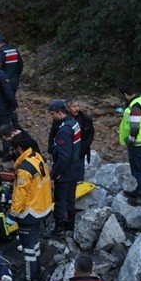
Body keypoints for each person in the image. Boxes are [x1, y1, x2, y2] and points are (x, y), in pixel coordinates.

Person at [8, 133, 53, 281]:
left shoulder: (24, 169)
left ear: (19, 149)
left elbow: (20, 195)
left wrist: (12, 215)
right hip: (42, 207)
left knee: (28, 248)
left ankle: (28, 280)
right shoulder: (37, 157)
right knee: (34, 244)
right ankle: (37, 271)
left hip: (29, 213)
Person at [48, 99, 82, 236]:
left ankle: (59, 228)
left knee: (60, 199)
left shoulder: (64, 130)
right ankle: (70, 224)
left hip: (65, 170)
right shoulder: (74, 123)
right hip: (74, 167)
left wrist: (54, 173)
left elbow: (63, 156)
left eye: (52, 114)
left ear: (59, 112)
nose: (52, 117)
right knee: (70, 197)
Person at [118, 82, 141, 200]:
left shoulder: (135, 106)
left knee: (137, 170)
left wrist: (131, 140)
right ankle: (140, 190)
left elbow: (135, 127)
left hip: (138, 143)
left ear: (125, 94)